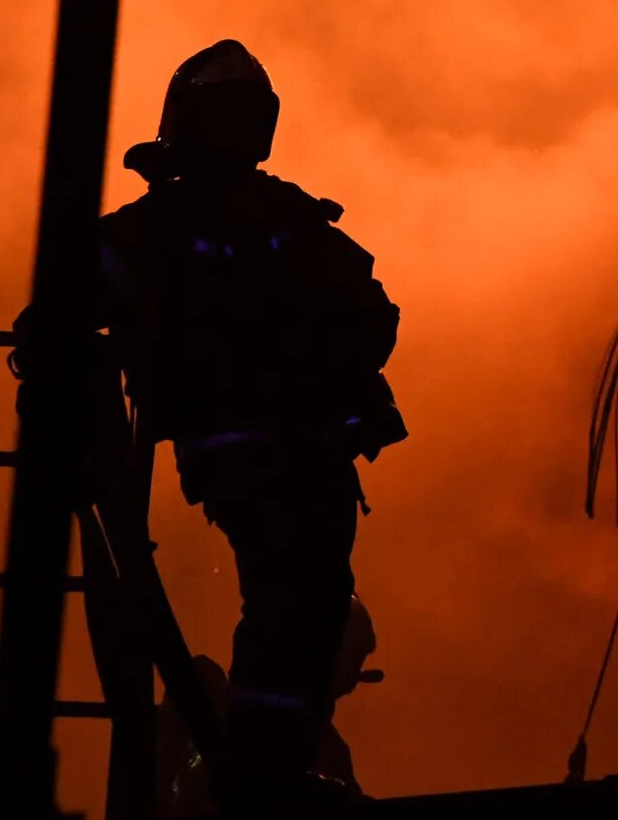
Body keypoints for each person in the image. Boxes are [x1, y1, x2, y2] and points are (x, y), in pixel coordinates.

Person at [97, 40, 405, 814]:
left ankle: (272, 768)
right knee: (288, 599)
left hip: (312, 451)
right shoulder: (159, 227)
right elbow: (78, 289)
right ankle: (262, 776)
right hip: (252, 452)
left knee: (311, 602)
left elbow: (371, 314)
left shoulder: (286, 220)